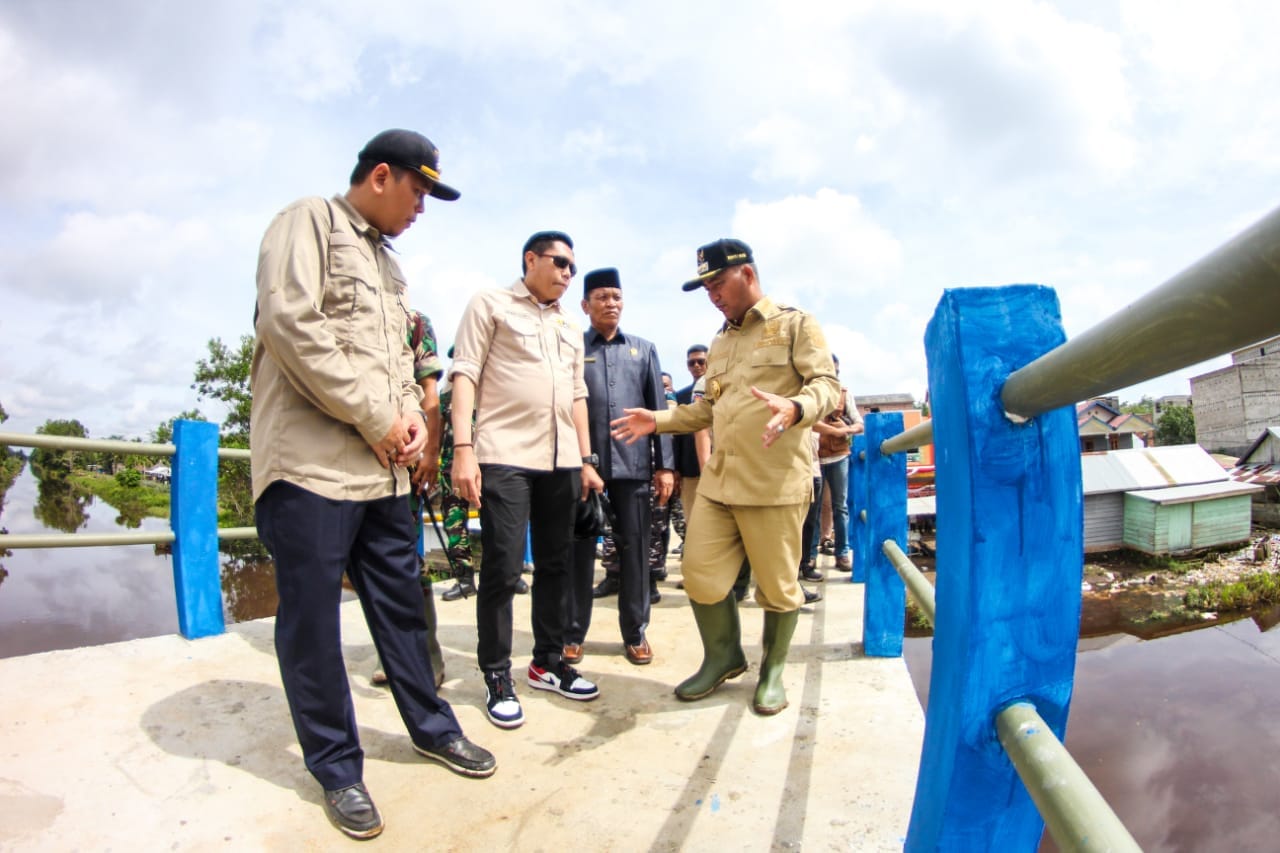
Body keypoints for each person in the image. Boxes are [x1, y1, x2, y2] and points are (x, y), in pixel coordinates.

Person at [251, 129, 495, 840]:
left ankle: (432, 727)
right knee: (312, 626)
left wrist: (413, 428)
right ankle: (336, 767)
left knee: (402, 610)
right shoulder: (310, 221)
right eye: (419, 191)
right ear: (381, 175)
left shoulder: (389, 267)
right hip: (313, 467)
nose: (422, 207)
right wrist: (376, 415)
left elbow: (397, 366)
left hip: (383, 472)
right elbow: (291, 324)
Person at [611, 238, 838, 716]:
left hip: (773, 483)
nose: (712, 294)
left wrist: (797, 406)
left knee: (777, 588)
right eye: (706, 287)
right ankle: (723, 657)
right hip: (719, 483)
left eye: (718, 283)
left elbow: (827, 387)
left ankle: (772, 671)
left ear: (748, 275)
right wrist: (659, 419)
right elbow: (707, 409)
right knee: (700, 576)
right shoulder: (721, 340)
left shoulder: (796, 324)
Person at [450, 230, 605, 730]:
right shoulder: (489, 304)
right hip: (505, 455)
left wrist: (586, 458)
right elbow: (466, 375)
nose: (566, 273)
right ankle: (497, 672)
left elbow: (578, 394)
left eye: (572, 268)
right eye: (559, 263)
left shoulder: (568, 324)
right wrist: (463, 450)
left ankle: (548, 661)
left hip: (561, 460)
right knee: (502, 564)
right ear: (530, 259)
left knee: (557, 565)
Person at [564, 268, 674, 667]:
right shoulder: (573, 348)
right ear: (585, 304)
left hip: (633, 466)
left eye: (616, 296)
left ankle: (636, 631)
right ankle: (572, 633)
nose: (611, 303)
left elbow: (659, 412)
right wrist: (575, 462)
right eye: (602, 297)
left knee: (635, 548)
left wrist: (665, 467)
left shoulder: (643, 350)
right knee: (579, 549)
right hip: (584, 469)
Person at [814, 354, 864, 571]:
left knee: (840, 507)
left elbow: (859, 424)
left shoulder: (844, 394)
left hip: (838, 456)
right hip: (814, 457)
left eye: (833, 369)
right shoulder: (811, 392)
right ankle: (809, 557)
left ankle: (842, 553)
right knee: (812, 509)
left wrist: (844, 429)